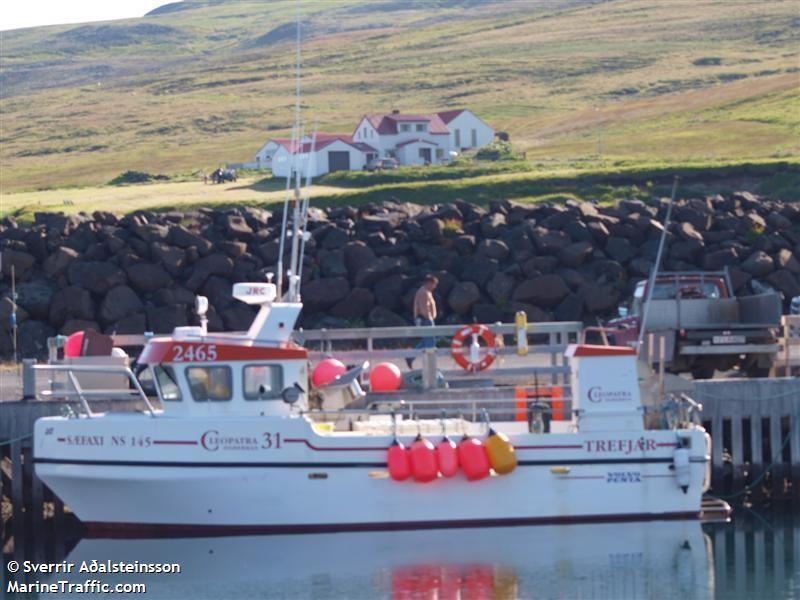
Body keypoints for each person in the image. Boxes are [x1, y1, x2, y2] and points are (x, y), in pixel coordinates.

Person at [408, 275, 438, 369]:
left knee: (426, 341)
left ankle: (411, 357)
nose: (435, 286)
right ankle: (430, 366)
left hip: (426, 319)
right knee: (430, 342)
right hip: (426, 320)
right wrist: (429, 318)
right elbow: (423, 308)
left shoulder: (426, 292)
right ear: (429, 283)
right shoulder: (423, 292)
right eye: (434, 284)